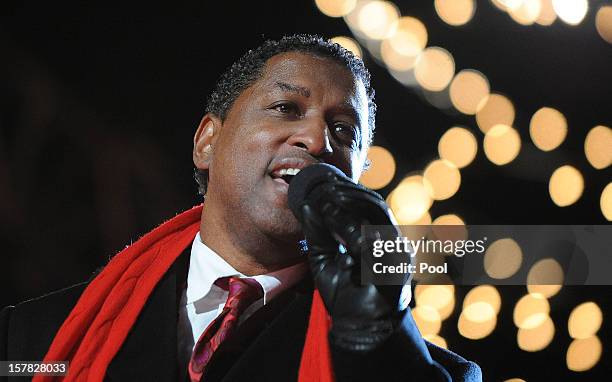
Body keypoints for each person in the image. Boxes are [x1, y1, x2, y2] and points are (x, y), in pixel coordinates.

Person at [1, 34, 481, 381]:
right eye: (286, 109)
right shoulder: (30, 341)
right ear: (207, 141)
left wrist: (378, 338)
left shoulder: (430, 373)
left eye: (343, 132)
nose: (316, 140)